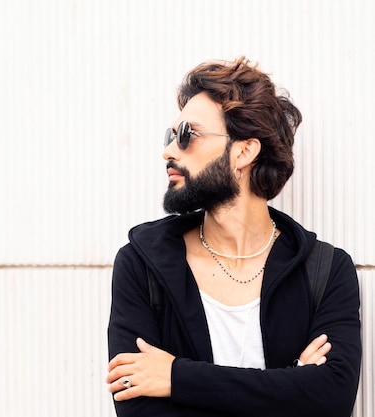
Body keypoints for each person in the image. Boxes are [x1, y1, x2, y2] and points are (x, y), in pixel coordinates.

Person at [105, 57, 361, 417]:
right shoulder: (142, 265)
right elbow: (138, 408)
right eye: (170, 136)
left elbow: (331, 400)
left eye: (186, 135)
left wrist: (177, 378)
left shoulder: (325, 270)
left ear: (243, 152)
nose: (168, 151)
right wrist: (289, 385)